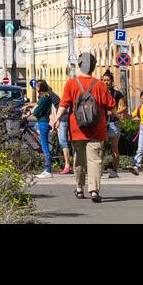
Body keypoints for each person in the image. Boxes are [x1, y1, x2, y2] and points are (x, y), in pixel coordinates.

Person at [50, 52, 115, 203]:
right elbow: (111, 105)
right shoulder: (100, 85)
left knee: (79, 159)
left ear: (80, 65)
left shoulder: (71, 84)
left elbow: (64, 104)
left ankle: (79, 189)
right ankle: (94, 191)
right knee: (95, 160)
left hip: (76, 129)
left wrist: (57, 119)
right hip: (97, 129)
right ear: (93, 66)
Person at [100, 70, 127, 179]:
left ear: (112, 81)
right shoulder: (99, 92)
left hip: (113, 123)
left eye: (108, 80)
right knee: (99, 148)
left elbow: (124, 107)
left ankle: (114, 171)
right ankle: (99, 170)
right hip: (101, 123)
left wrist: (114, 112)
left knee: (114, 148)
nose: (106, 82)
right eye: (104, 80)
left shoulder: (117, 93)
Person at [31, 80, 56, 178]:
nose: (36, 88)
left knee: (45, 147)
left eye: (37, 86)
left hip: (43, 122)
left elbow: (37, 111)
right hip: (42, 122)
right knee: (43, 143)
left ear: (40, 88)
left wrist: (34, 111)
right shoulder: (44, 97)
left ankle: (48, 170)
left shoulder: (44, 98)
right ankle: (47, 169)